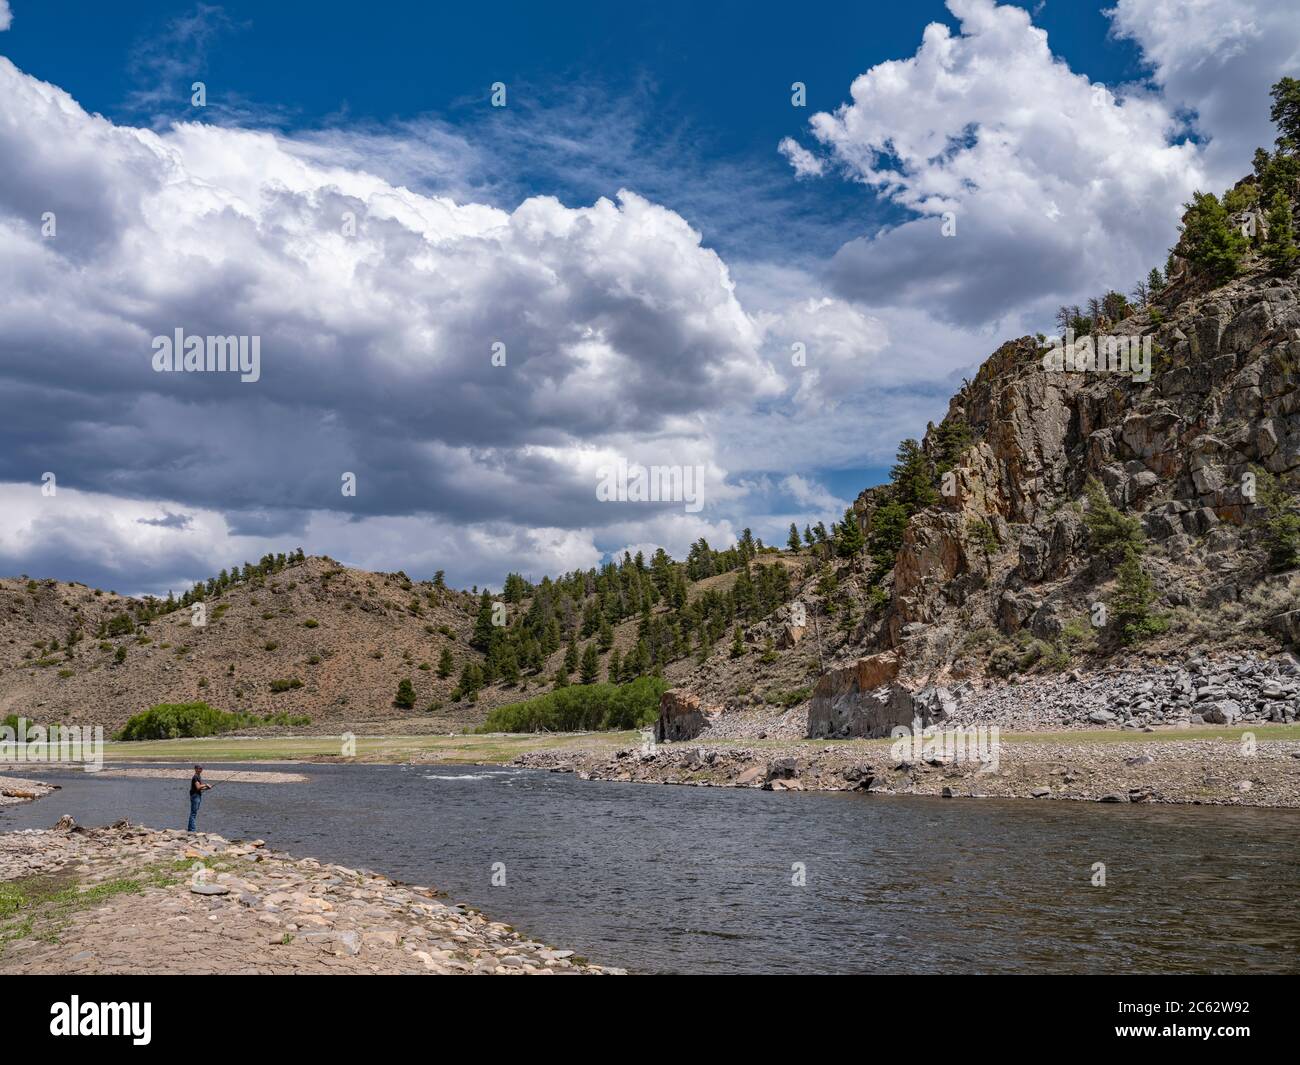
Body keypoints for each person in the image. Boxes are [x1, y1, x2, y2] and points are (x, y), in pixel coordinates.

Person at [188, 765, 211, 832]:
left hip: (196, 795)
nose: (200, 770)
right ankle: (192, 830)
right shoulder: (195, 777)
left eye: (201, 768)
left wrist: (207, 788)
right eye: (199, 768)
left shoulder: (198, 776)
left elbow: (199, 788)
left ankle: (190, 829)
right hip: (195, 796)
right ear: (195, 769)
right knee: (193, 813)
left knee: (193, 812)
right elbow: (198, 787)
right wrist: (206, 785)